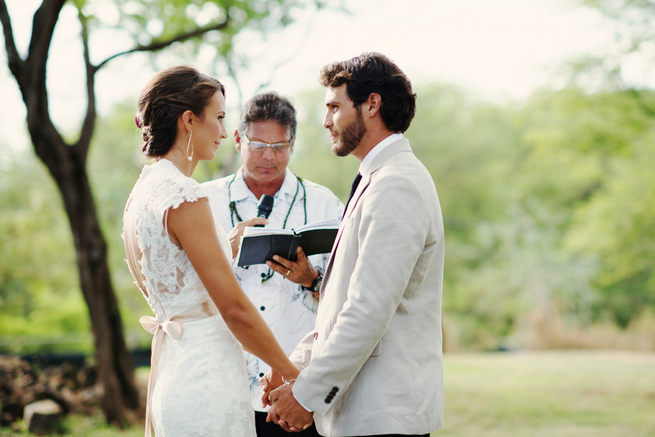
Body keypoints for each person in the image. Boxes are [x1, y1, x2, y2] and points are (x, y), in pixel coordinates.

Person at [262, 52, 445, 437]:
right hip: (362, 415)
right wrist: (292, 368)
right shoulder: (378, 178)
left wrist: (306, 396)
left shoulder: (397, 184)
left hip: (384, 417)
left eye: (334, 107)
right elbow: (341, 304)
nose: (326, 121)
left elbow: (367, 310)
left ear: (372, 104)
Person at [122, 66, 301, 437]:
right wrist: (291, 373)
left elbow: (174, 278)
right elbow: (234, 309)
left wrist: (226, 246)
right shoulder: (186, 195)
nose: (223, 131)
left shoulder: (144, 191)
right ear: (189, 120)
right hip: (206, 382)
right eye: (218, 118)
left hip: (175, 370)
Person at [202, 91, 343, 437]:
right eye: (259, 145)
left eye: (280, 146)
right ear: (237, 140)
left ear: (293, 144)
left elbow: (351, 297)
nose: (270, 156)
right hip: (222, 385)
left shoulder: (325, 203)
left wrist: (311, 279)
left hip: (299, 390)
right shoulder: (204, 202)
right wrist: (226, 248)